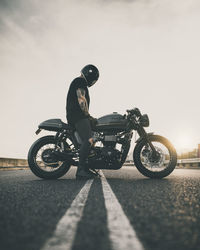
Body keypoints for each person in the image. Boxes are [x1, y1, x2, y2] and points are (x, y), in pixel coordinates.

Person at [66, 64, 99, 179]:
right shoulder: (80, 81)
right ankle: (81, 170)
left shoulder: (79, 81)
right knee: (89, 139)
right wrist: (88, 116)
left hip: (78, 115)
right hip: (77, 116)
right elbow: (81, 100)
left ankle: (88, 165)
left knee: (94, 135)